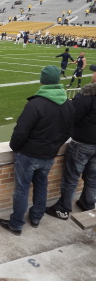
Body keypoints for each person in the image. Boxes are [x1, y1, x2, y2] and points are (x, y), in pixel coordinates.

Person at [0, 66, 75, 236]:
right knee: (41, 186)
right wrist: (53, 146)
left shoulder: (36, 104)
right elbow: (69, 132)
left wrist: (15, 147)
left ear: (43, 81)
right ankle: (36, 217)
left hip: (29, 154)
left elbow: (21, 132)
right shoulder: (68, 104)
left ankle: (16, 223)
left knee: (22, 189)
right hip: (48, 154)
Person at [46, 81, 96, 219]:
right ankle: (88, 204)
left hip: (82, 142)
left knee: (71, 178)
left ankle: (63, 209)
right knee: (92, 178)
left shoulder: (87, 94)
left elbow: (73, 116)